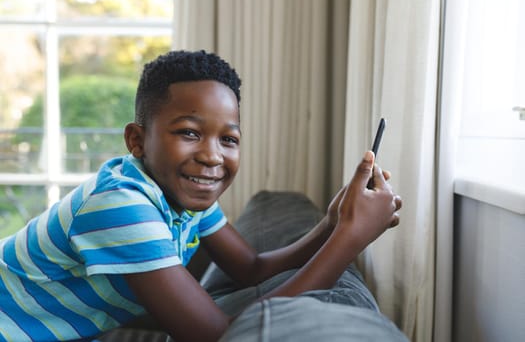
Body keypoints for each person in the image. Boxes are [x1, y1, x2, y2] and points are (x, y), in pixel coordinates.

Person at [0, 50, 403, 342]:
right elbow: (216, 335)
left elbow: (250, 267)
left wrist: (331, 224)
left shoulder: (185, 196)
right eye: (189, 133)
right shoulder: (121, 206)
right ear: (137, 140)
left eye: (228, 139)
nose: (212, 155)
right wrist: (351, 237)